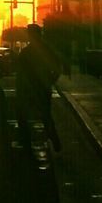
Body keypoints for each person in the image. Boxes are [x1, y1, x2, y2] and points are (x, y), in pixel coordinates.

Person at [15, 22, 63, 152]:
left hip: (32, 89)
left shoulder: (27, 53)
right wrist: (50, 81)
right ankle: (54, 141)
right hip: (41, 88)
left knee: (24, 115)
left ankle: (26, 142)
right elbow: (57, 67)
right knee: (44, 115)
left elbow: (20, 73)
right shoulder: (45, 50)